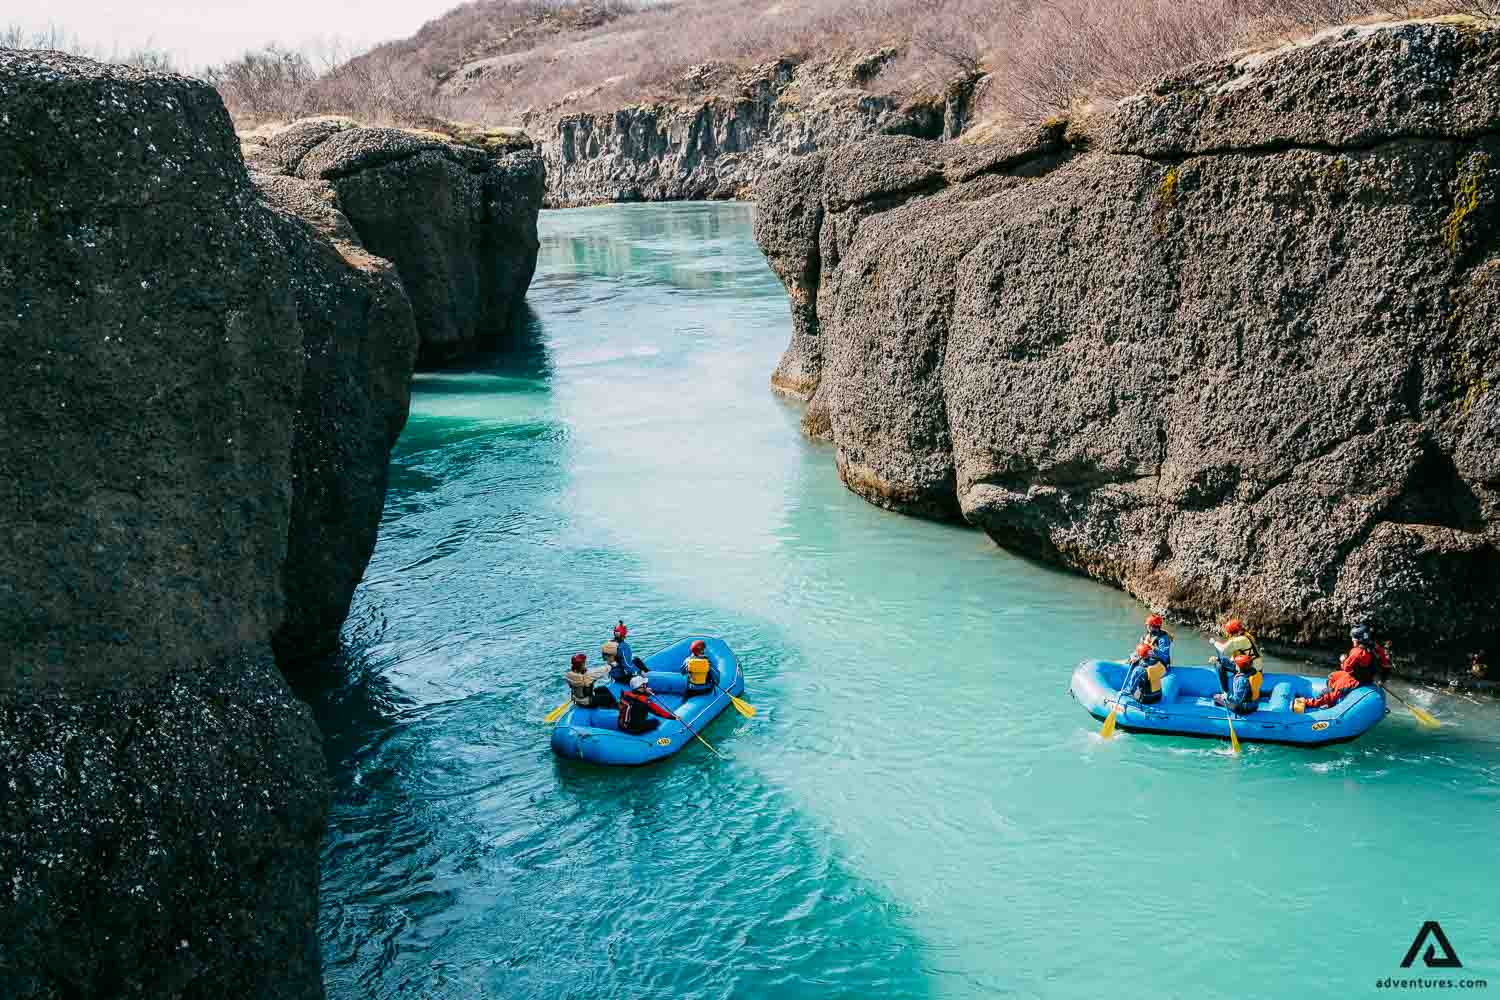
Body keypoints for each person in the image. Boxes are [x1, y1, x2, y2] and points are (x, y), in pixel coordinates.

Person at [1212, 618, 1261, 693]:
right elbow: (1237, 656)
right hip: (1256, 669)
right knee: (1223, 660)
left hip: (1250, 670)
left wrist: (1214, 642)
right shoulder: (1247, 636)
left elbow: (1222, 650)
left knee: (1219, 663)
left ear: (1232, 633)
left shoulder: (1239, 640)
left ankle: (1225, 692)